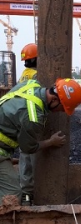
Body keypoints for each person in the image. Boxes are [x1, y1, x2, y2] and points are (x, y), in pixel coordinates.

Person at [0, 78, 81, 205]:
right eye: (62, 108)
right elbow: (28, 148)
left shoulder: (31, 84)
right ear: (54, 100)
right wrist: (51, 141)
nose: (60, 112)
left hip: (4, 150)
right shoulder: (33, 118)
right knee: (12, 194)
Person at [17, 43, 39, 206]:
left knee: (25, 156)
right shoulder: (37, 75)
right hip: (32, 118)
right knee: (34, 154)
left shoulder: (24, 75)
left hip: (21, 117)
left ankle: (26, 195)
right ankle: (33, 192)